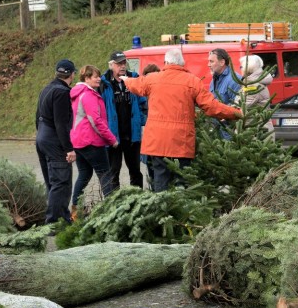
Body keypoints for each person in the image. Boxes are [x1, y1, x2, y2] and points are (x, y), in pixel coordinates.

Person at [124, 48, 242, 192]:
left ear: (166, 62)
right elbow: (212, 107)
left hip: (157, 141)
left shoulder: (152, 79)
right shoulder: (193, 81)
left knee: (160, 180)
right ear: (182, 63)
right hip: (181, 141)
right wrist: (237, 113)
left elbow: (135, 84)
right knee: (183, 180)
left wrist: (125, 79)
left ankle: (161, 205)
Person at [35, 59, 77, 225]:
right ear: (72, 74)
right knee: (61, 182)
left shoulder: (46, 89)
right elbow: (61, 123)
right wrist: (69, 148)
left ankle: (62, 218)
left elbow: (37, 117)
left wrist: (41, 138)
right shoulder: (62, 93)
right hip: (53, 140)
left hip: (42, 137)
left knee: (52, 183)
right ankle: (54, 222)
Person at [70, 65, 118, 209]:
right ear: (87, 78)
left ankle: (75, 208)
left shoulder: (77, 93)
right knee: (105, 174)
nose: (99, 79)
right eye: (95, 77)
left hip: (78, 141)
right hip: (91, 141)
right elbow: (95, 121)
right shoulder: (88, 95)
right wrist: (111, 139)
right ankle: (111, 210)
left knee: (84, 174)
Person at [99, 51, 147, 190]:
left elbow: (143, 103)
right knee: (113, 172)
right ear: (111, 65)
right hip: (113, 136)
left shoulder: (134, 78)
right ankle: (116, 201)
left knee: (135, 171)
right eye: (119, 63)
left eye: (124, 63)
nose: (122, 66)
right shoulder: (103, 83)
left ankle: (137, 198)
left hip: (132, 135)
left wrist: (140, 121)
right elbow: (99, 110)